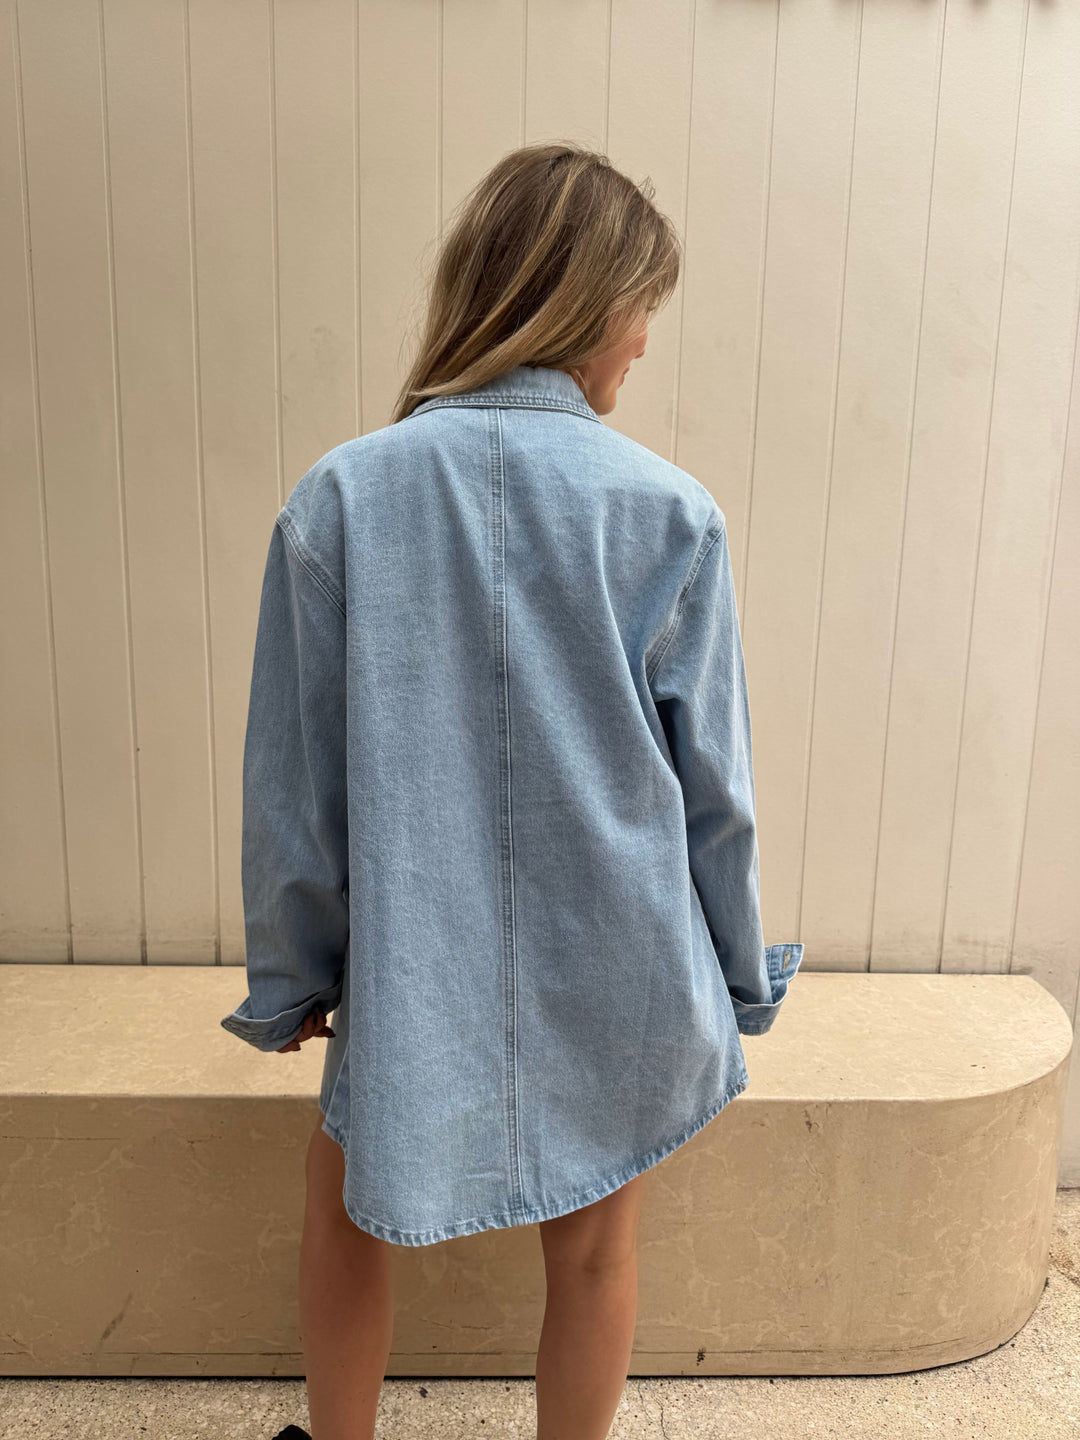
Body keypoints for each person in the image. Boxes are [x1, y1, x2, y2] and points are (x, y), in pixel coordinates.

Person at [220, 140, 804, 1440]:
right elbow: (716, 793)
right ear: (591, 305)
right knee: (595, 1254)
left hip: (412, 961)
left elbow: (296, 796)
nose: (645, 343)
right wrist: (740, 972)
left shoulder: (340, 503)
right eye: (642, 309)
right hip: (628, 957)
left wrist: (296, 977)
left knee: (344, 1208)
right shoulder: (667, 514)